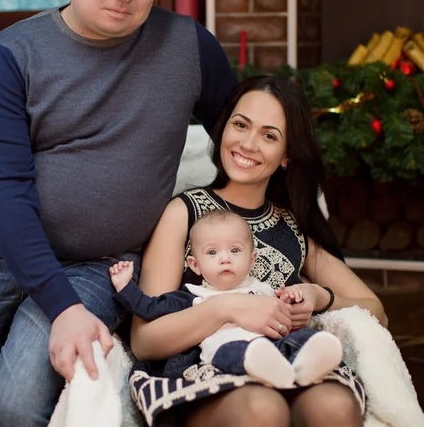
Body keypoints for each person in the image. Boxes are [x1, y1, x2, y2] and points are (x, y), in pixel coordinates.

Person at [0, 0, 237, 427]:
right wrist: (61, 308)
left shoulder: (189, 47)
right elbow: (4, 194)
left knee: (14, 406)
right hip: (2, 252)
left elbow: (242, 141)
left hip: (103, 266)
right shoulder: (11, 55)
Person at [129, 75, 388, 427]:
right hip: (207, 370)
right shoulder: (184, 213)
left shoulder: (294, 227)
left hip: (289, 363)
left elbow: (376, 310)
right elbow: (144, 340)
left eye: (269, 135)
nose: (248, 144)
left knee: (334, 407)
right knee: (262, 409)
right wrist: (229, 307)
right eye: (241, 125)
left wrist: (318, 295)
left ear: (287, 156)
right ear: (223, 130)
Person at [110, 210, 343, 389]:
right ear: (195, 265)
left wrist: (293, 298)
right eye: (212, 253)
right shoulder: (193, 297)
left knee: (301, 338)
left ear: (252, 260)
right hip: (226, 354)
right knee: (238, 352)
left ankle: (311, 358)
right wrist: (125, 286)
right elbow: (149, 308)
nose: (225, 259)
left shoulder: (263, 289)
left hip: (273, 345)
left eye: (235, 251)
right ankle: (270, 366)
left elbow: (284, 313)